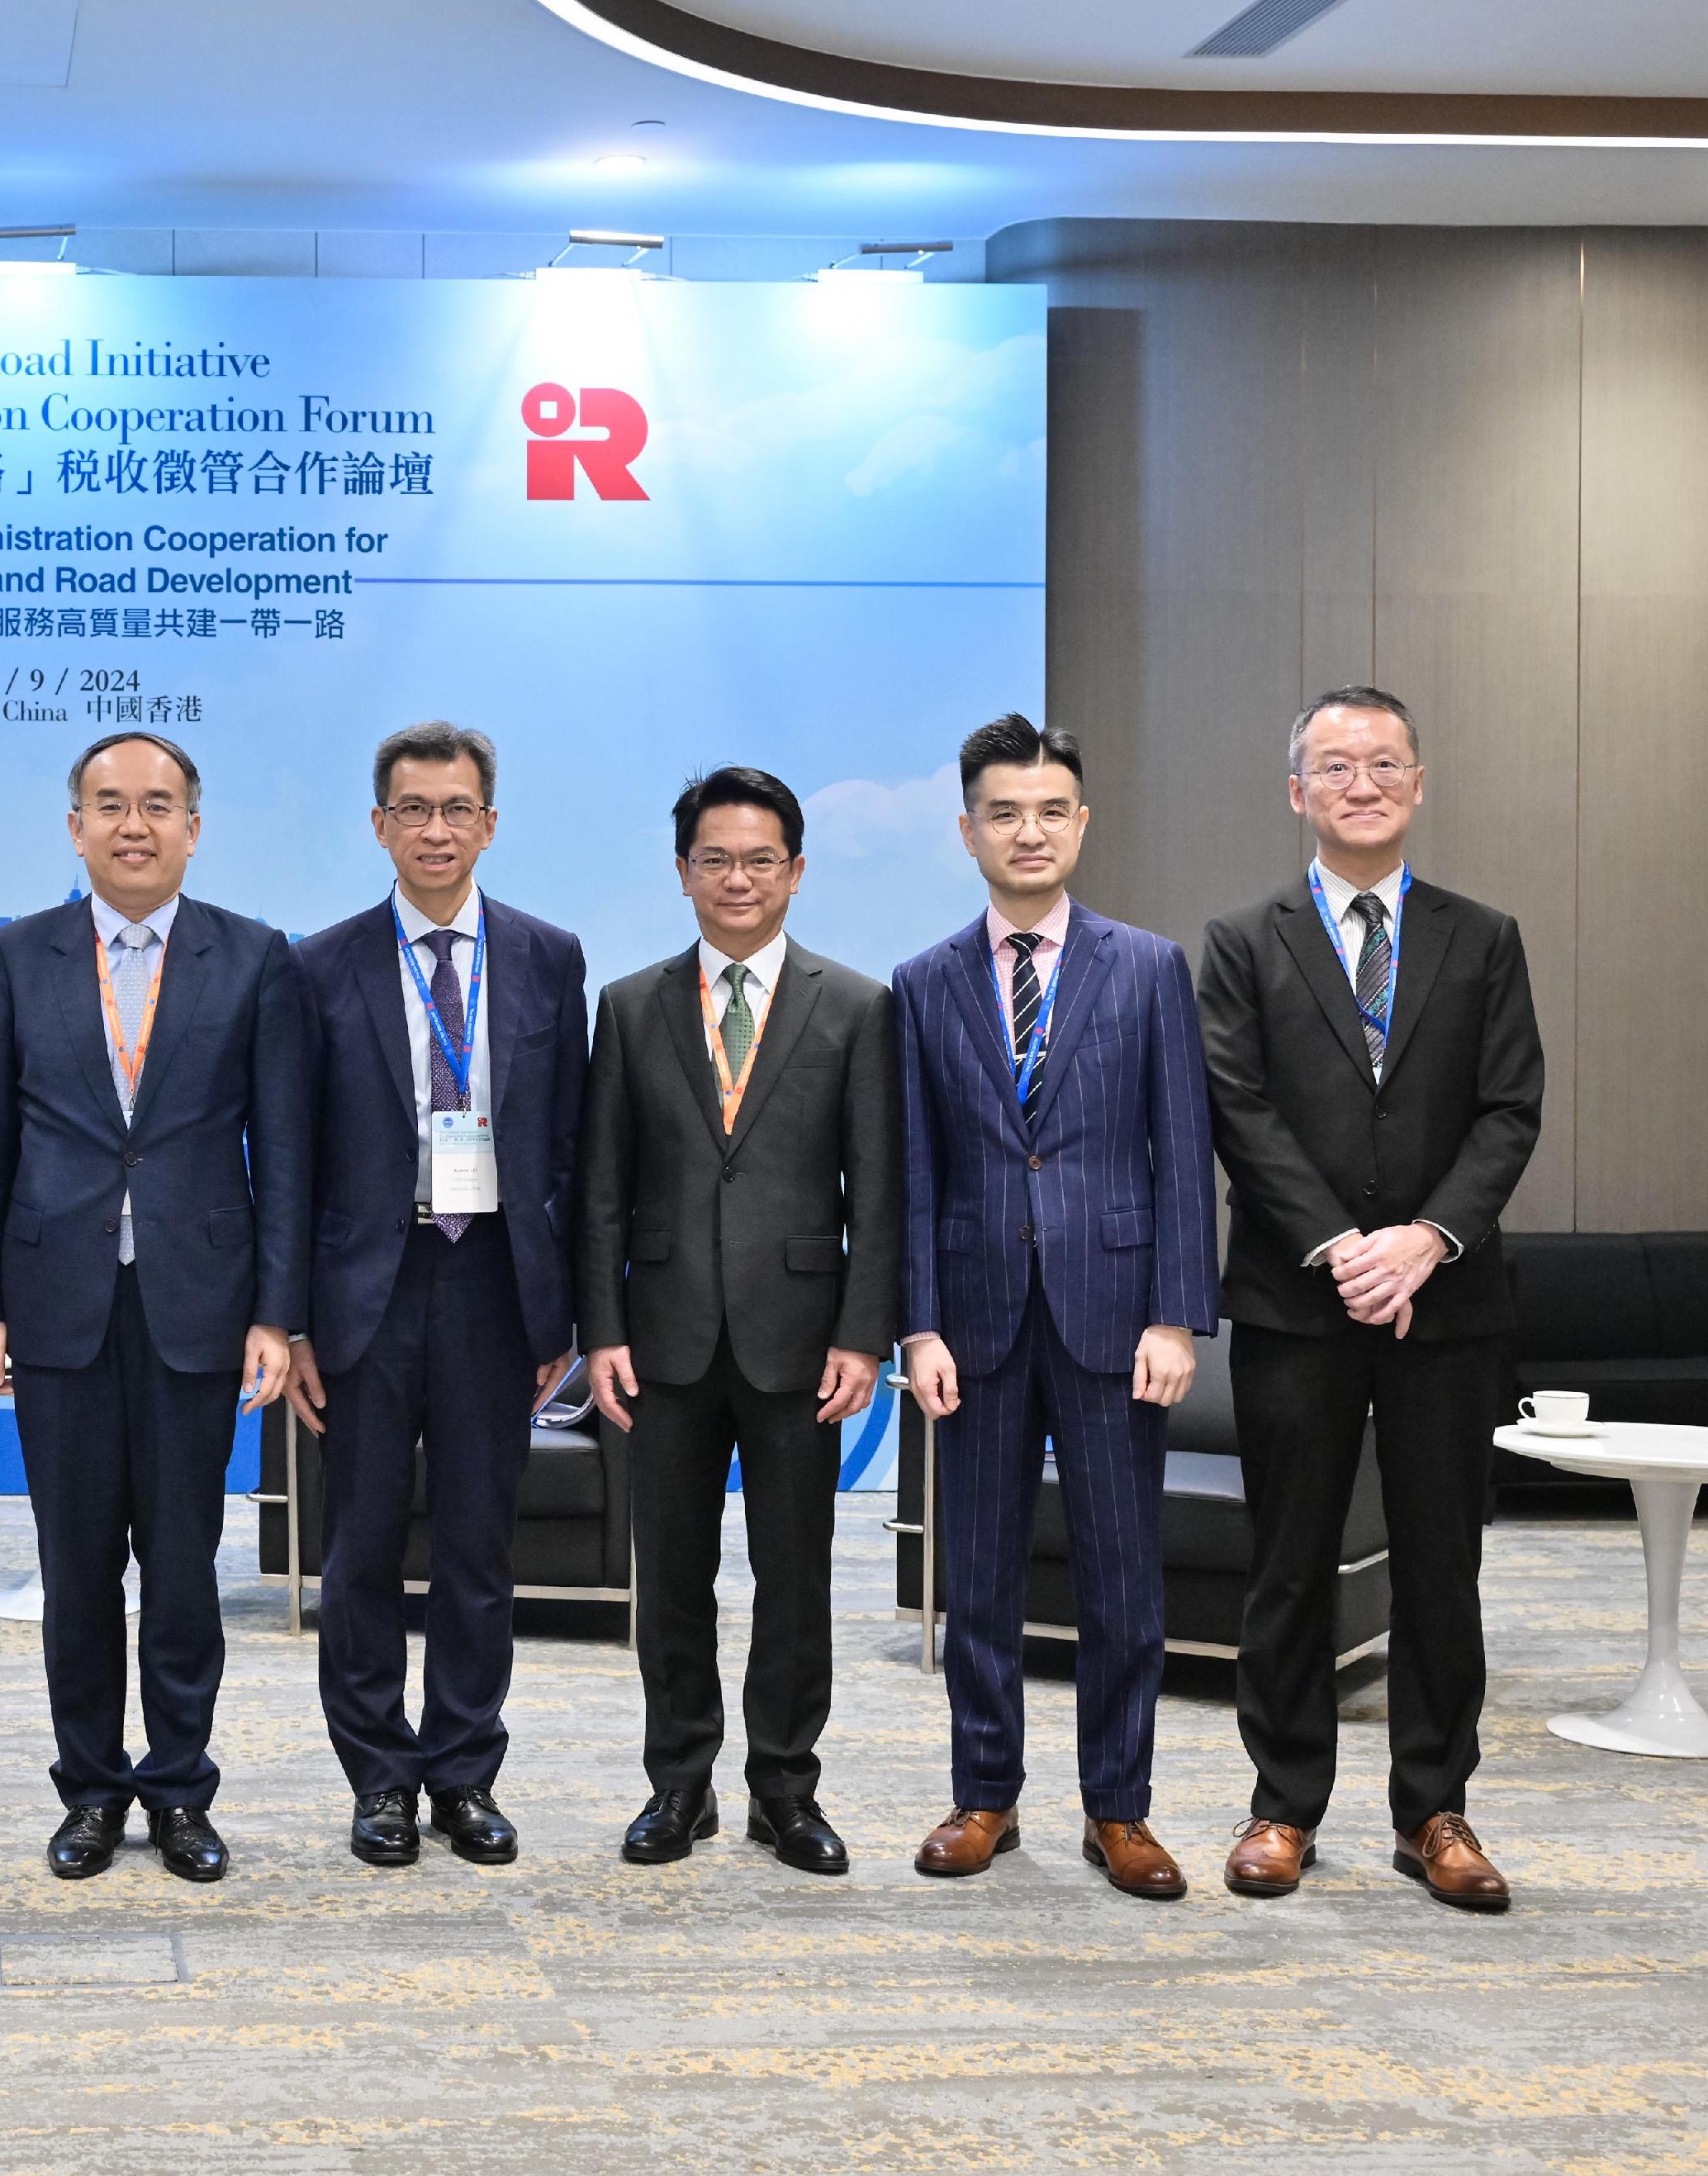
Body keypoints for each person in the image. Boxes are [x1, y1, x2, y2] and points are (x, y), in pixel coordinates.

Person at [1198, 687, 1542, 1912]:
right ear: (1297, 790)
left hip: (1449, 1308)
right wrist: (1347, 1246)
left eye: (1383, 762)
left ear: (1418, 781)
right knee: (1288, 1562)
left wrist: (1427, 1240)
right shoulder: (1243, 938)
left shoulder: (1483, 936)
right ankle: (1281, 1805)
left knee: (1443, 1567)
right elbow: (1239, 1108)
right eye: (1335, 765)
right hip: (1300, 1303)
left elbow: (1509, 1109)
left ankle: (1436, 1811)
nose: (1361, 782)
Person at [0, 732, 313, 1883]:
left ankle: (178, 1789)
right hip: (54, 1301)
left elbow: (284, 1151)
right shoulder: (19, 955)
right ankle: (90, 1791)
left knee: (180, 1564)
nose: (133, 824)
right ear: (74, 826)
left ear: (193, 826)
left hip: (197, 1307)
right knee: (75, 1568)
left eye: (157, 805)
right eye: (108, 804)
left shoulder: (253, 957)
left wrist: (275, 1310)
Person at [895, 715, 1217, 1900]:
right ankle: (985, 1794)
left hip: (1114, 1311)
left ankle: (1119, 1808)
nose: (1027, 832)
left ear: (1081, 822)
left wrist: (1177, 1313)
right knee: (976, 1573)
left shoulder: (1147, 966)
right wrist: (918, 1323)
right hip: (973, 1323)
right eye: (1003, 812)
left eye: (1050, 811)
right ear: (969, 827)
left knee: (1121, 1574)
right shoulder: (923, 983)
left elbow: (1182, 1151)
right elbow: (914, 1171)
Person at [576, 766, 899, 1879]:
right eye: (715, 857)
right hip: (660, 1340)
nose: (738, 878)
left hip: (801, 1340)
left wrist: (864, 1333)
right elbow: (600, 1191)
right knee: (668, 1573)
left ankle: (784, 1787)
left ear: (797, 872)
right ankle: (679, 1783)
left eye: (761, 858)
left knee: (795, 1575)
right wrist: (601, 1329)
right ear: (681, 872)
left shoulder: (855, 1006)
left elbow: (879, 1187)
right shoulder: (627, 1007)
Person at [280, 722, 583, 1870]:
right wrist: (295, 1316)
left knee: (476, 1547)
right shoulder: (320, 965)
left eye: (458, 808)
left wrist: (561, 1310)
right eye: (414, 808)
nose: (437, 829)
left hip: (495, 1287)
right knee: (359, 1549)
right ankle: (379, 1778)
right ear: (380, 825)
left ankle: (462, 1770)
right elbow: (293, 1157)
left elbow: (569, 1144)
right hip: (367, 1290)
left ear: (491, 823)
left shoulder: (551, 958)